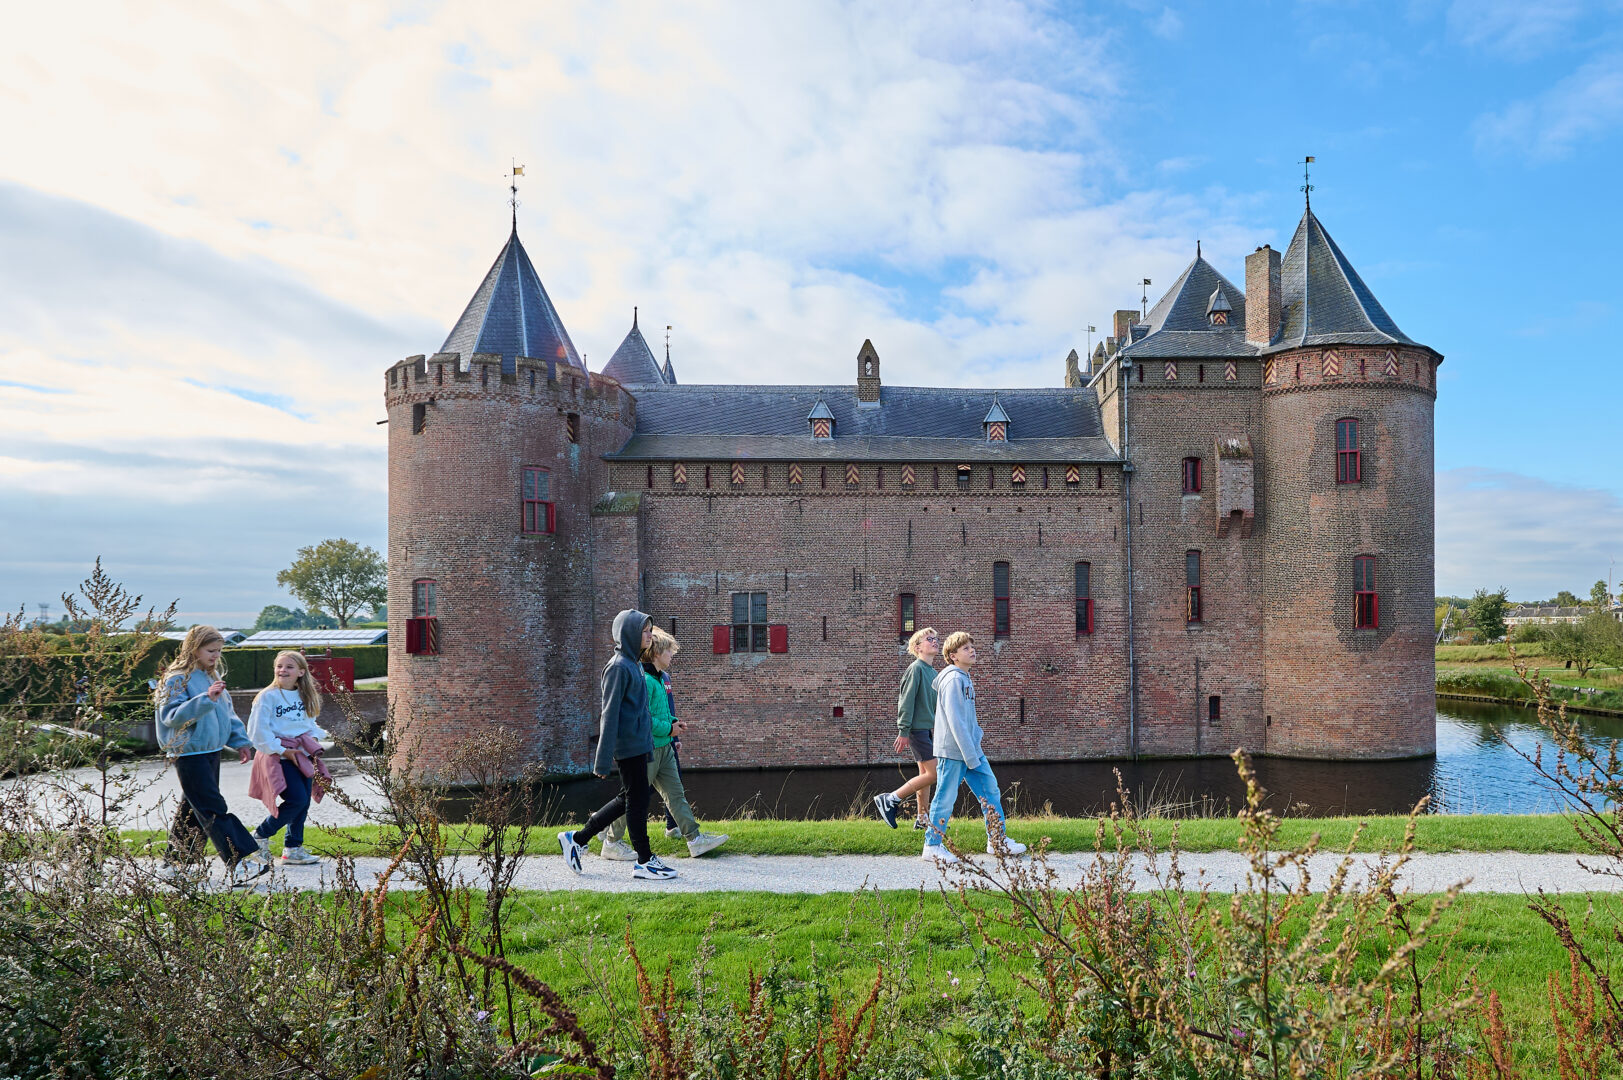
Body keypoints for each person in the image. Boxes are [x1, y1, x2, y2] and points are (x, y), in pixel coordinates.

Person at [557, 610, 678, 881]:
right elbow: (608, 715)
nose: (650, 635)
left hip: (640, 744)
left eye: (649, 630)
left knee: (630, 799)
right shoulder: (617, 667)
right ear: (630, 633)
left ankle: (576, 838)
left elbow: (639, 711)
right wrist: (602, 761)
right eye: (645, 631)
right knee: (636, 802)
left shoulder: (633, 663)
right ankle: (645, 861)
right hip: (629, 748)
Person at [155, 625, 269, 887]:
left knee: (193, 809)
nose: (216, 656)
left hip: (211, 751)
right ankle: (239, 861)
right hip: (188, 752)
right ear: (193, 648)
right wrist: (205, 699)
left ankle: (175, 864)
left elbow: (225, 713)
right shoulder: (175, 679)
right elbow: (170, 716)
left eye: (219, 651)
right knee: (211, 807)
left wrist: (240, 742)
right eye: (211, 650)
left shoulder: (209, 676)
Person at [600, 628, 728, 859]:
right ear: (657, 652)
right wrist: (670, 729)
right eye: (669, 651)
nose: (672, 655)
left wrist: (673, 723)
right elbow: (644, 719)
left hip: (664, 747)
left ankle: (695, 839)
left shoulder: (660, 679)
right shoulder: (646, 681)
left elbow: (660, 712)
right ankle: (611, 841)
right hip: (647, 750)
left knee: (676, 794)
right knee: (632, 798)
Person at [921, 631, 1026, 865]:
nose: (972, 650)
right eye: (965, 648)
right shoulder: (953, 679)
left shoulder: (964, 677)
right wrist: (970, 753)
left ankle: (997, 840)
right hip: (953, 751)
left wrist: (976, 739)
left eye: (971, 646)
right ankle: (932, 846)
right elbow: (956, 721)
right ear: (953, 656)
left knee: (990, 790)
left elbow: (968, 719)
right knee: (945, 797)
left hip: (970, 749)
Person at [246, 651, 332, 867]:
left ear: (301, 672)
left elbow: (308, 724)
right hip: (279, 756)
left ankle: (293, 848)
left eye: (289, 667)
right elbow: (257, 731)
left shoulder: (306, 696)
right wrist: (282, 750)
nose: (282, 670)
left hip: (302, 755)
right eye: (279, 666)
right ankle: (259, 835)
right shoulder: (268, 697)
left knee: (303, 803)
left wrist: (316, 739)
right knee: (296, 800)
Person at [873, 627, 940, 830]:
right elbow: (906, 702)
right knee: (935, 774)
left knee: (924, 775)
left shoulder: (933, 672)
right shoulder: (916, 669)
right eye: (929, 639)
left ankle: (922, 820)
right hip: (916, 731)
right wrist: (903, 731)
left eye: (936, 639)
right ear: (918, 647)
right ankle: (891, 799)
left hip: (926, 730)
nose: (935, 641)